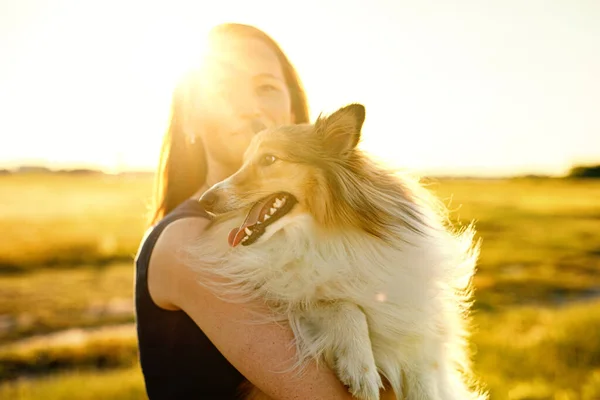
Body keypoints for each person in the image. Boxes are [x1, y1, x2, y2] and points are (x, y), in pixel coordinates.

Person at [134, 23, 357, 400]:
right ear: (189, 118)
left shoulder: (305, 230)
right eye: (222, 89)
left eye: (266, 87)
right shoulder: (187, 242)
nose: (249, 107)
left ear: (292, 110)